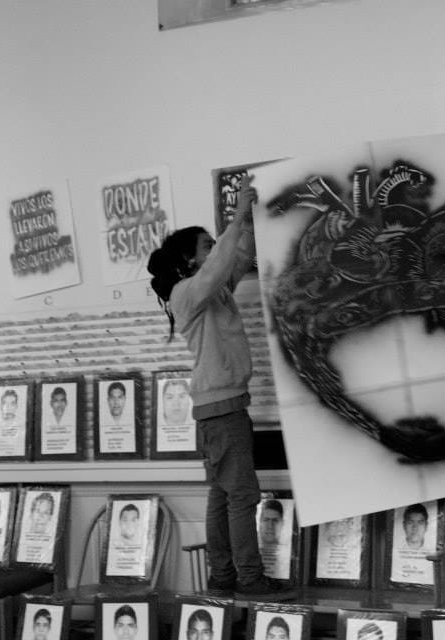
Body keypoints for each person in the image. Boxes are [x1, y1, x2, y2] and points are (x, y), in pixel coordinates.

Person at [147, 173, 287, 598]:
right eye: (206, 245)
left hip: (222, 408)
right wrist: (238, 214)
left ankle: (224, 578)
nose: (214, 249)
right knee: (242, 496)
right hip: (221, 410)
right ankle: (248, 579)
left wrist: (247, 221)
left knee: (222, 498)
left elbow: (238, 255)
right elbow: (219, 265)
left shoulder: (213, 292)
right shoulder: (186, 293)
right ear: (190, 260)